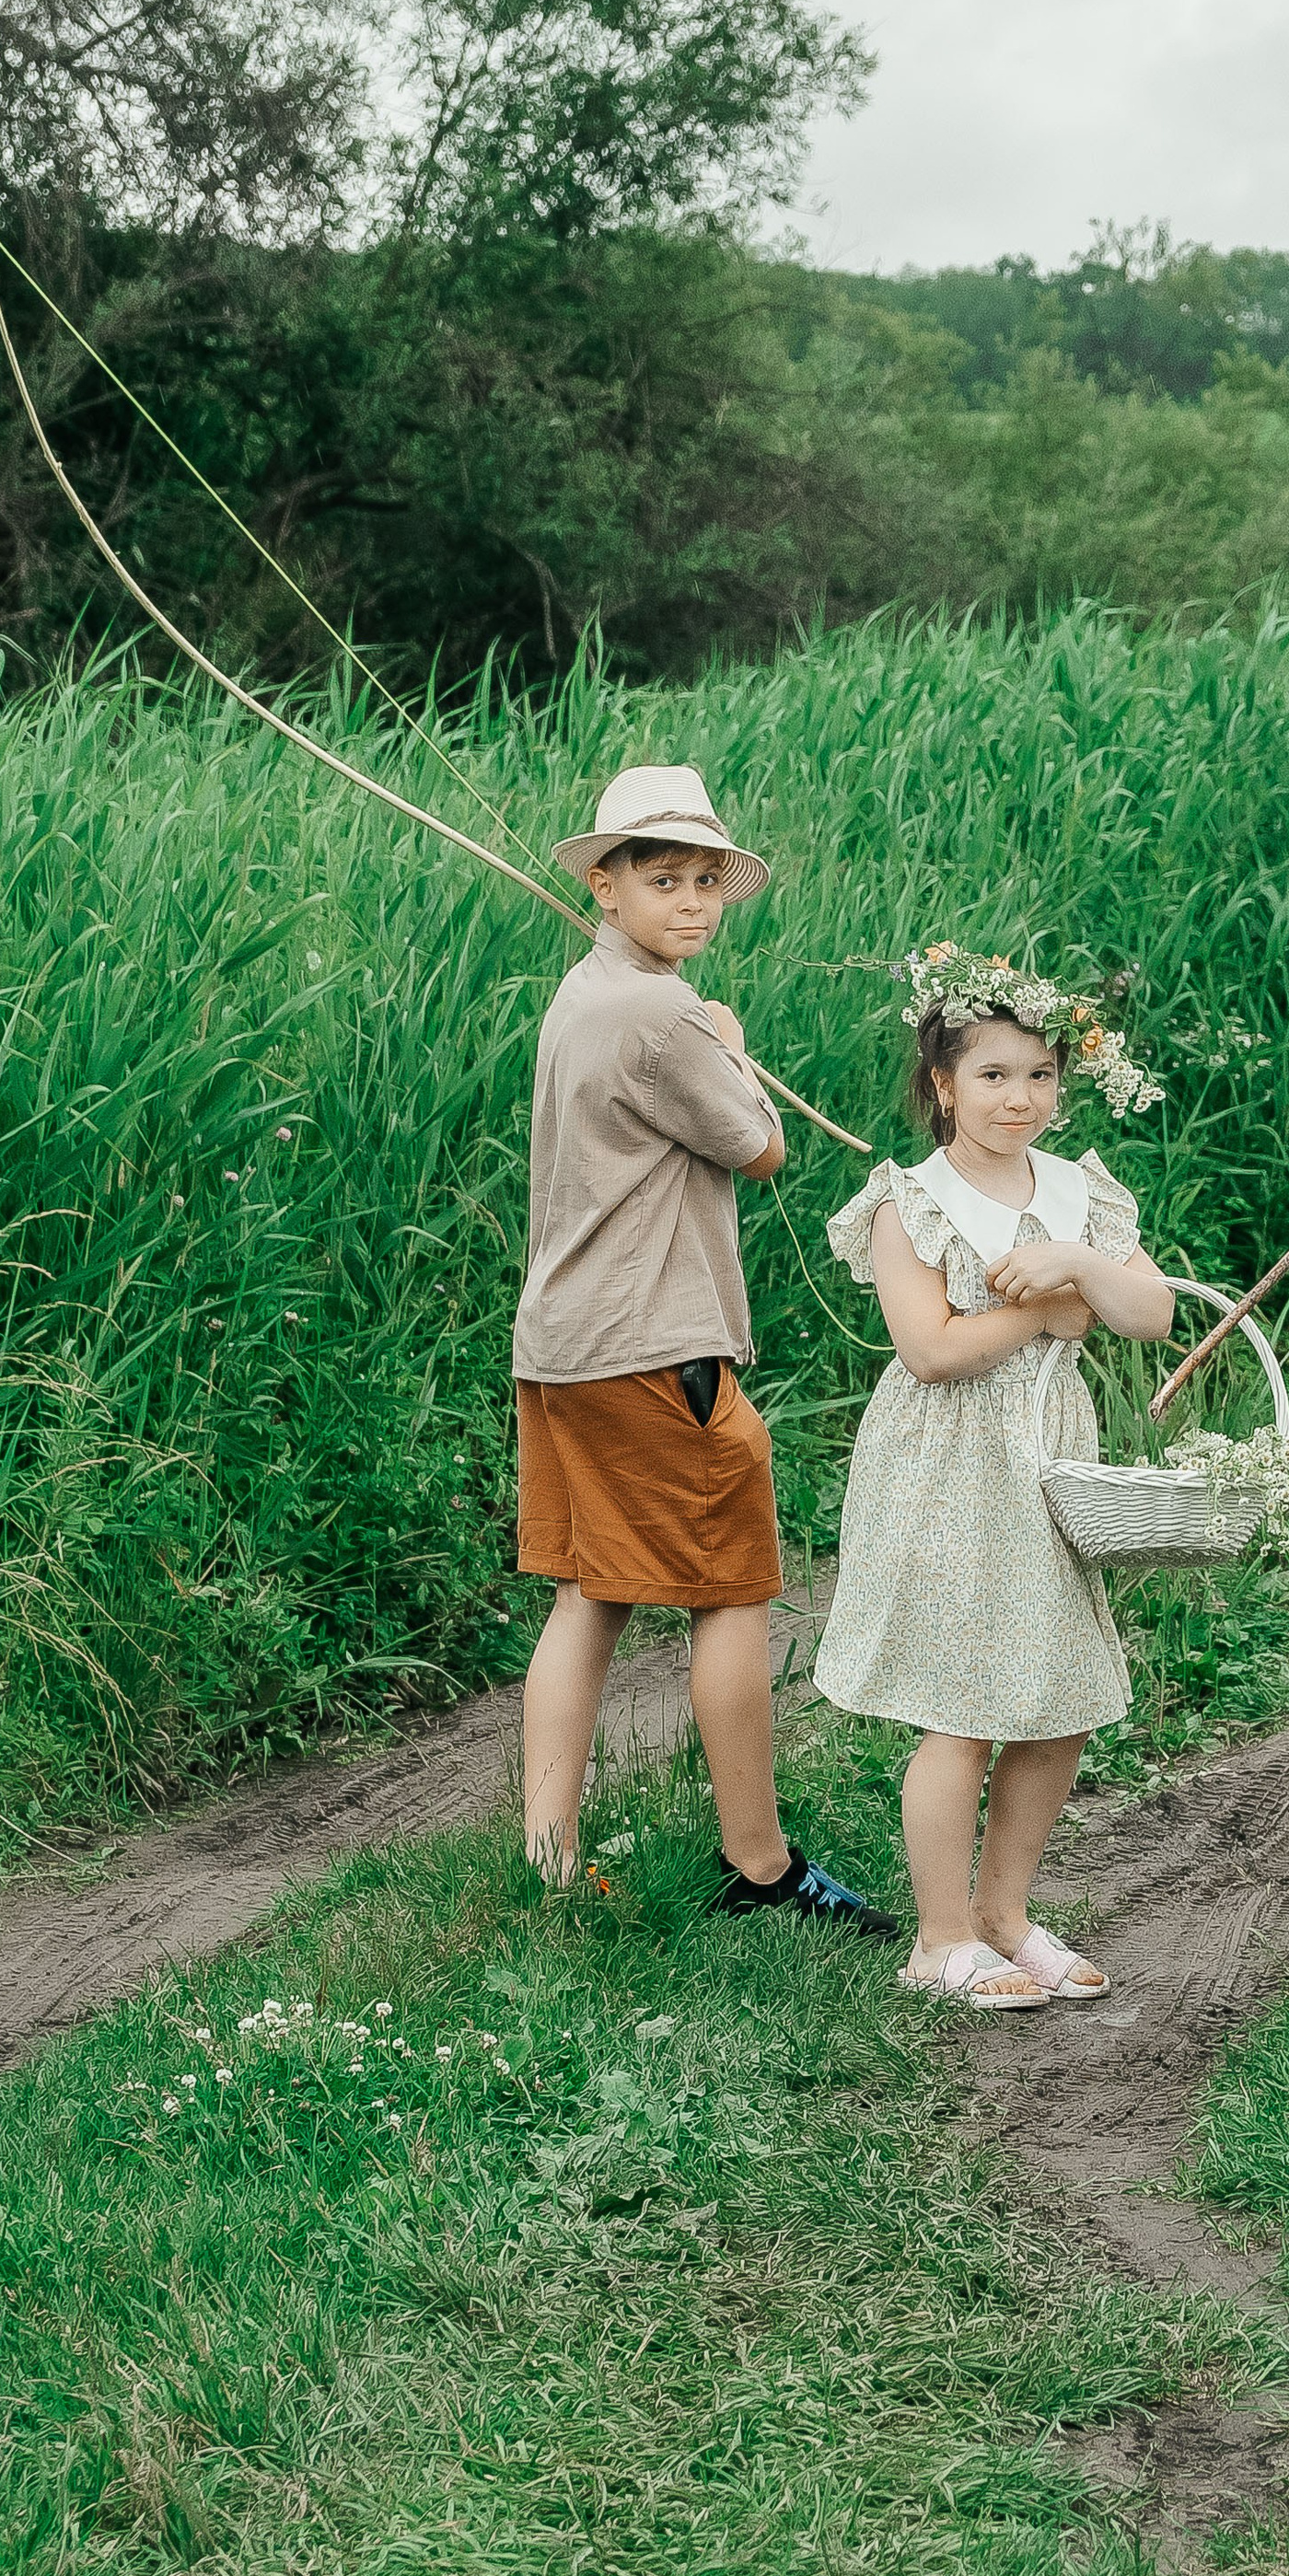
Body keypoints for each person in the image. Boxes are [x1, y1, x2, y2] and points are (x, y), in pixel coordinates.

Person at [514, 761, 892, 1935]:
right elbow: (759, 1146)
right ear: (607, 889)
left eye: (705, 881)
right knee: (733, 1592)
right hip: (648, 1345)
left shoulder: (583, 992)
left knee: (591, 1595)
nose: (689, 901)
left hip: (566, 1342)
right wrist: (727, 1040)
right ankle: (761, 1868)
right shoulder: (662, 1011)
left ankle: (548, 1863)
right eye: (660, 879)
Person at [814, 948, 1173, 2006]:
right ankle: (939, 1937)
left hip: (1051, 1452)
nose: (1019, 1098)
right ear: (941, 1084)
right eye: (992, 1075)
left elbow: (1149, 1312)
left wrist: (1077, 1267)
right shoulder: (911, 1202)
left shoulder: (1078, 1191)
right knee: (962, 1699)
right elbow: (929, 1349)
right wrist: (1045, 1314)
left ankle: (1006, 1914)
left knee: (1056, 1699)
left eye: (1039, 1076)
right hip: (948, 1461)